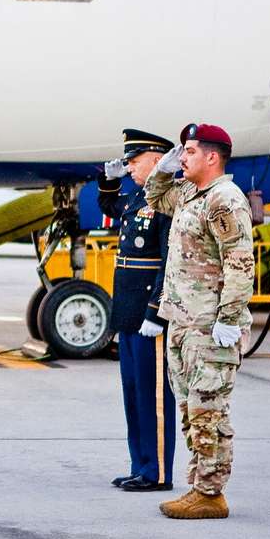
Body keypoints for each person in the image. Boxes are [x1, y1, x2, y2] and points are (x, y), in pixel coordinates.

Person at [144, 123, 255, 520]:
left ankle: (211, 494)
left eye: (189, 151)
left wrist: (228, 318)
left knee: (209, 410)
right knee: (191, 409)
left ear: (212, 157)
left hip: (210, 327)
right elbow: (155, 199)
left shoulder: (225, 201)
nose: (183, 157)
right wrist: (163, 168)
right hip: (182, 321)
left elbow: (241, 265)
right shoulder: (192, 192)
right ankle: (198, 486)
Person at [98, 129, 176, 493]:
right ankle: (139, 464)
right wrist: (107, 182)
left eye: (134, 160)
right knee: (133, 393)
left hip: (148, 314)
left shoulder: (167, 202)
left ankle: (158, 471)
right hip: (128, 312)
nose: (128, 167)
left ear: (157, 160)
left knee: (154, 395)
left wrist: (156, 311)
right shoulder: (136, 198)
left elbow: (169, 263)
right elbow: (109, 208)